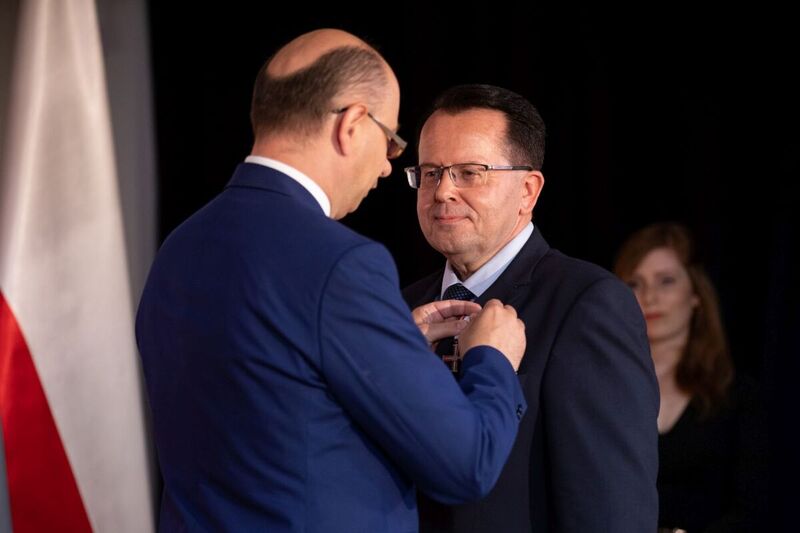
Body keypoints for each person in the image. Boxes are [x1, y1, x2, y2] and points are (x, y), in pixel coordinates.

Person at [135, 30, 529, 532]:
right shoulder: (341, 263)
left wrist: (394, 347)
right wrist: (491, 357)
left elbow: (269, 401)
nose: (389, 167)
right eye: (391, 141)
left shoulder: (180, 247)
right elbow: (466, 466)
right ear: (352, 124)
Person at [403, 84, 659, 532]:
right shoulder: (399, 309)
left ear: (528, 190)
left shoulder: (587, 303)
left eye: (469, 172)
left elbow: (611, 511)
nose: (442, 191)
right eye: (429, 173)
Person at [614, 222, 768, 532]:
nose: (649, 297)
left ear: (696, 294)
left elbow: (754, 509)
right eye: (634, 284)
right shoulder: (602, 391)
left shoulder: (737, 395)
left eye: (666, 281)